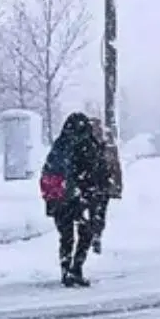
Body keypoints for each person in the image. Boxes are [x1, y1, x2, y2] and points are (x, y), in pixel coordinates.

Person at [40, 113, 109, 287]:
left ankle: (65, 270)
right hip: (80, 197)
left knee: (66, 236)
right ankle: (76, 268)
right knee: (85, 232)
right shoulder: (87, 144)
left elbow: (49, 170)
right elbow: (96, 171)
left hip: (60, 197)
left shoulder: (60, 144)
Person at [87, 116, 123, 255]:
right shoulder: (106, 143)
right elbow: (115, 166)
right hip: (101, 184)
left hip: (95, 184)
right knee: (99, 212)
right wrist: (117, 186)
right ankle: (96, 235)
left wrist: (117, 185)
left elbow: (115, 165)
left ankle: (94, 235)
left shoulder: (99, 144)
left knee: (95, 211)